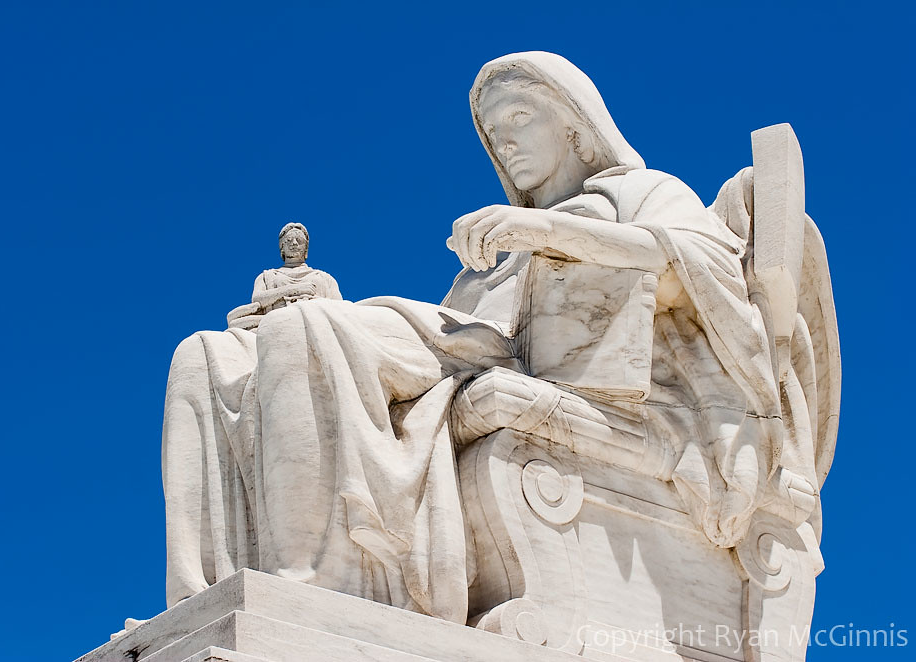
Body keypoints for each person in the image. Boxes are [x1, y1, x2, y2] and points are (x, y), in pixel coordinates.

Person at [236, 51, 782, 626]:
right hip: (477, 350)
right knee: (214, 358)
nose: (505, 143)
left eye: (519, 117)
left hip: (552, 370)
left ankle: (320, 585)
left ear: (576, 123)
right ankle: (223, 582)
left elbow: (695, 266)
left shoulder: (641, 192)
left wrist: (549, 230)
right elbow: (448, 333)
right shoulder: (493, 254)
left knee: (308, 329)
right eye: (494, 133)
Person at [162, 222, 340, 608]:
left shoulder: (323, 278)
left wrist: (293, 305)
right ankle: (201, 574)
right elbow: (259, 306)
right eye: (287, 241)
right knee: (197, 352)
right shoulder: (267, 277)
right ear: (281, 248)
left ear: (307, 246)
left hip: (309, 337)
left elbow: (339, 314)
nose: (293, 245)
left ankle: (300, 563)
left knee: (289, 333)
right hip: (262, 333)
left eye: (298, 240)